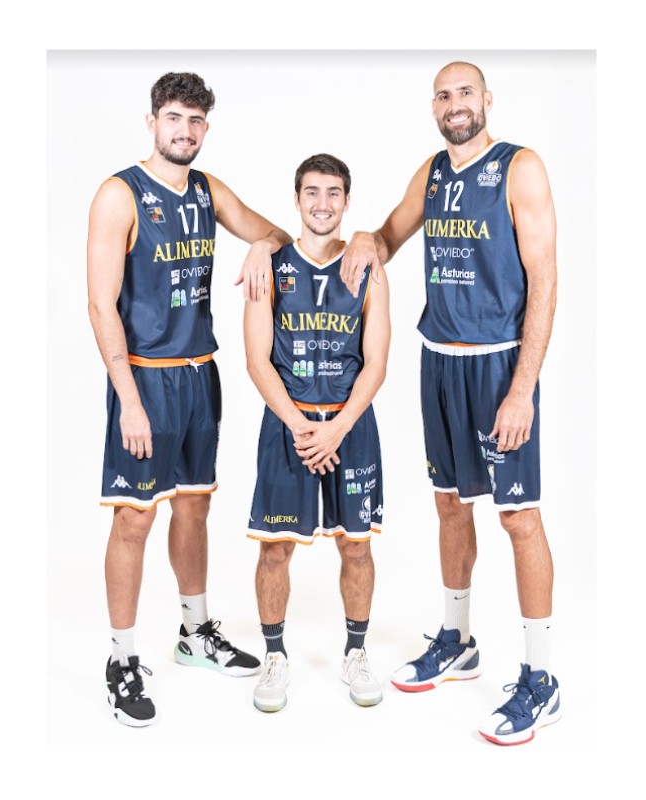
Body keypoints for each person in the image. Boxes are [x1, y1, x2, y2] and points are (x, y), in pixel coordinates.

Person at [339, 61, 560, 745]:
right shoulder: (432, 172)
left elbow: (545, 282)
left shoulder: (519, 167)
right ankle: (458, 640)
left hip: (498, 365)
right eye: (443, 94)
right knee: (448, 505)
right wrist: (365, 238)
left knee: (518, 518)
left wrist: (521, 389)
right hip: (438, 359)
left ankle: (541, 677)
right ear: (433, 106)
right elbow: (388, 239)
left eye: (465, 92)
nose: (454, 103)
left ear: (486, 99)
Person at [87, 72, 292, 727]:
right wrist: (128, 399)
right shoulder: (120, 194)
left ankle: (194, 631)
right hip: (145, 377)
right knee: (133, 519)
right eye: (174, 117)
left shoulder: (207, 190)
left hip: (200, 373)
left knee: (194, 506)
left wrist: (259, 246)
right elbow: (100, 305)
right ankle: (121, 659)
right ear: (152, 121)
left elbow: (278, 235)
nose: (185, 130)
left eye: (196, 120)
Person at [243, 153, 390, 713]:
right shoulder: (270, 265)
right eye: (312, 192)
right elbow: (257, 360)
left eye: (333, 193)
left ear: (347, 201)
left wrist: (338, 428)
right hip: (290, 423)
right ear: (296, 199)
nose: (322, 203)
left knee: (356, 545)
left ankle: (356, 653)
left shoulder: (368, 268)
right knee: (276, 548)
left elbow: (376, 362)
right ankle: (274, 657)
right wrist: (303, 426)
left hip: (351, 425)